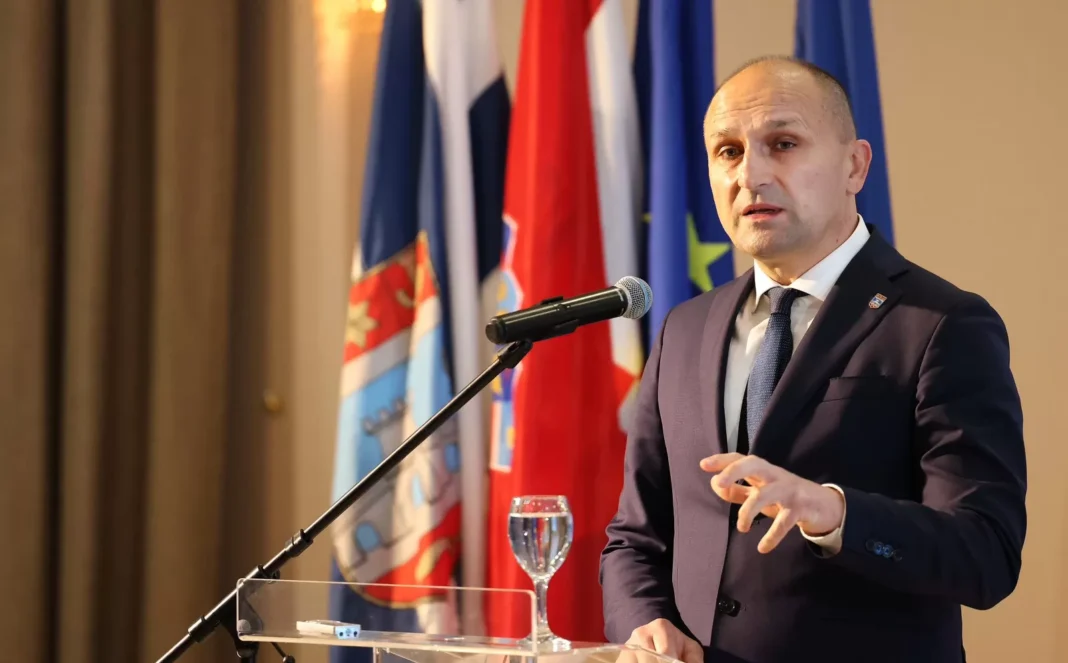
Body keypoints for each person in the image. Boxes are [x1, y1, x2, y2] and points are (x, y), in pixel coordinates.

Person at [598, 56, 1027, 663]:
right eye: (728, 151)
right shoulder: (684, 328)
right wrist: (645, 622)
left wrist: (834, 512)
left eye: (783, 144)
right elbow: (635, 539)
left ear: (855, 166)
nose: (751, 174)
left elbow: (986, 554)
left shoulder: (941, 323)